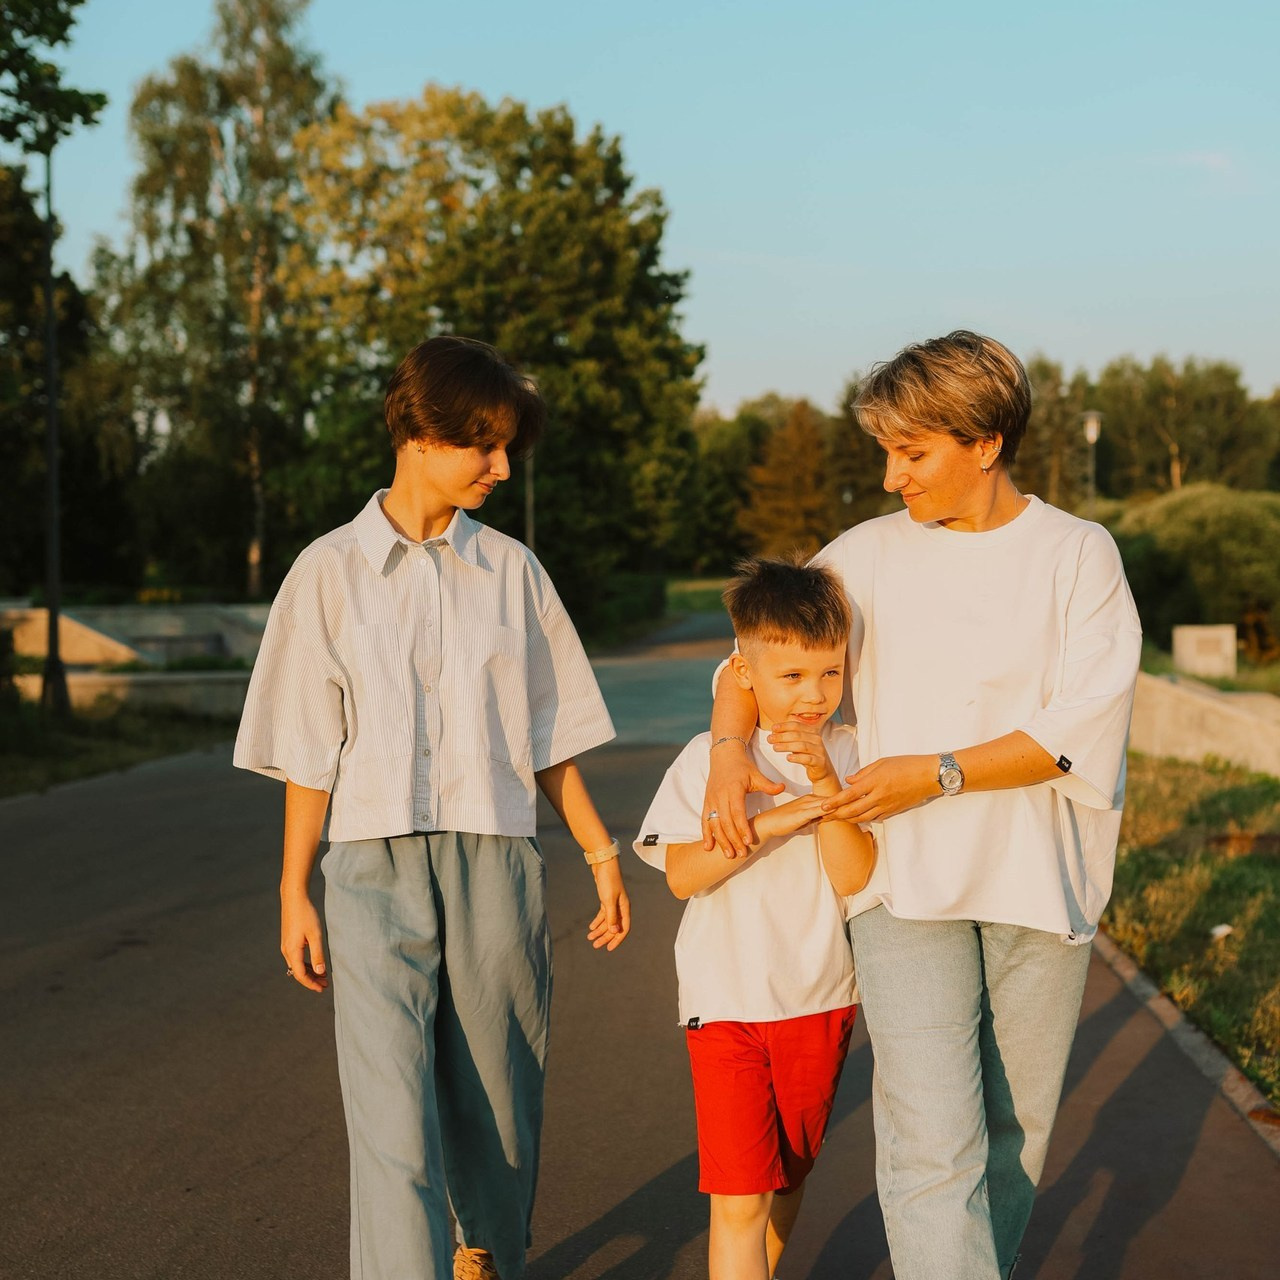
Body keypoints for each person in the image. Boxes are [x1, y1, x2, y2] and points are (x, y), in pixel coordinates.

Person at [704, 331, 1141, 1280]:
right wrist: (729, 752)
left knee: (1010, 1146)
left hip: (1040, 885)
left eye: (915, 452)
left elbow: (1077, 724)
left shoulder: (1077, 554)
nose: (894, 475)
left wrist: (933, 774)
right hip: (899, 885)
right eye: (887, 452)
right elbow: (753, 658)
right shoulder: (863, 555)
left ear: (985, 444)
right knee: (930, 1150)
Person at [234, 335, 631, 1280]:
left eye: (505, 449)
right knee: (389, 1114)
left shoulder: (514, 574)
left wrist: (602, 856)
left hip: (495, 860)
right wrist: (294, 891)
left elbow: (551, 736)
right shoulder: (326, 574)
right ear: (419, 432)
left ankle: (487, 1255)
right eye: (482, 446)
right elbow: (306, 752)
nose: (500, 468)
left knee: (500, 1102)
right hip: (370, 868)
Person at [634, 556, 877, 1280]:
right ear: (744, 672)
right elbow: (681, 874)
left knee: (788, 1180)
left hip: (822, 1000)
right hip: (726, 1003)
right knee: (739, 1199)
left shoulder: (854, 754)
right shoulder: (706, 762)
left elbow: (853, 875)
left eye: (829, 674)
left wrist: (826, 790)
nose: (813, 695)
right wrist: (770, 825)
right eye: (792, 676)